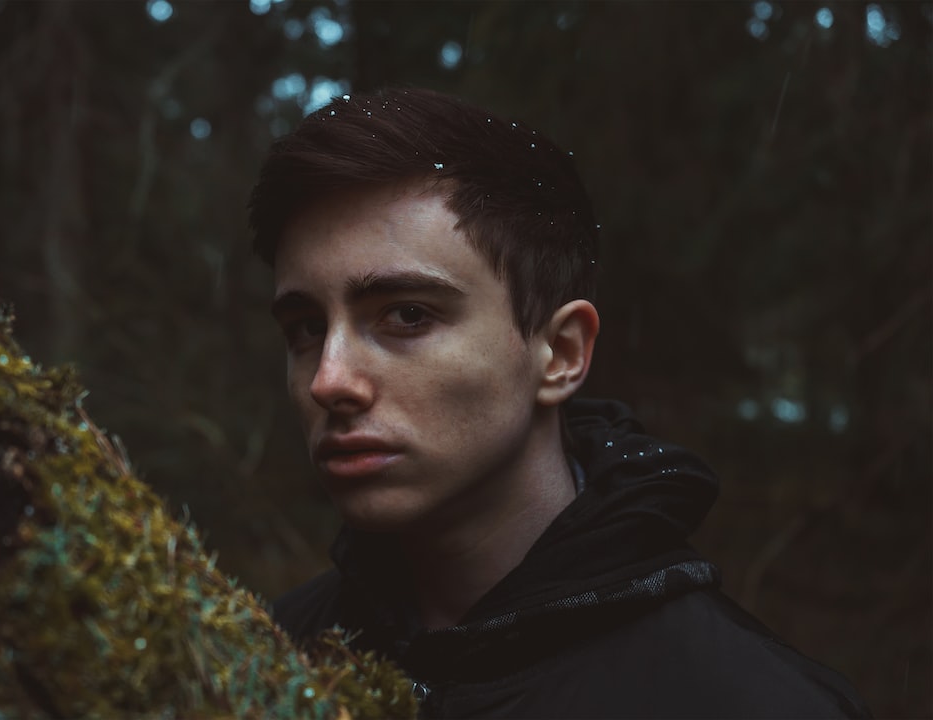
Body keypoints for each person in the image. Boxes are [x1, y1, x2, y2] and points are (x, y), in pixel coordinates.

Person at [248, 87, 868, 718]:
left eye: (407, 315)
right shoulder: (256, 662)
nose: (329, 380)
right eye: (307, 328)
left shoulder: (749, 703)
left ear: (562, 353)